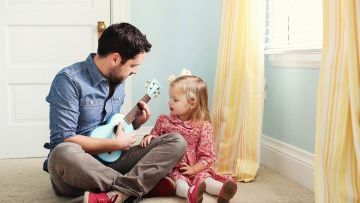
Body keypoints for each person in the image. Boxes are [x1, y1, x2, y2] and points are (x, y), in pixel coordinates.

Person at [43, 22, 187, 203]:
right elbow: (62, 140)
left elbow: (110, 126)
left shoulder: (118, 77)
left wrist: (135, 123)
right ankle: (137, 187)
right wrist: (116, 144)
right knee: (61, 153)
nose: (135, 71)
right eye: (133, 65)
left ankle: (116, 193)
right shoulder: (68, 80)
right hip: (77, 167)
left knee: (176, 141)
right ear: (115, 59)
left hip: (113, 160)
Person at [140, 75, 238, 203]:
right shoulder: (164, 121)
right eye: (170, 97)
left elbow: (208, 156)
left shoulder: (203, 126)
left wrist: (194, 169)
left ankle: (223, 192)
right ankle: (190, 194)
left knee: (205, 180)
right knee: (179, 182)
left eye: (175, 100)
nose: (169, 102)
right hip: (174, 168)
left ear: (192, 103)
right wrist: (149, 138)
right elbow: (155, 138)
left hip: (197, 167)